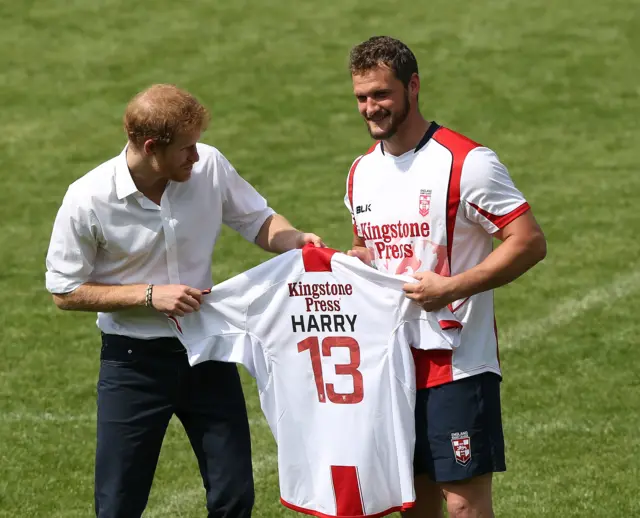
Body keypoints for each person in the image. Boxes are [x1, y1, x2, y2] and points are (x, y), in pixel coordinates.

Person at [45, 83, 324, 518]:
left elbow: (258, 220)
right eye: (186, 149)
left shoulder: (208, 164)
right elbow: (64, 290)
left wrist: (297, 241)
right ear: (152, 147)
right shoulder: (88, 198)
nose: (197, 157)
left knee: (234, 496)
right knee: (118, 504)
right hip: (133, 364)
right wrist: (149, 295)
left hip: (208, 353)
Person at [344, 37, 547, 518]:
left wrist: (451, 287)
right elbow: (366, 247)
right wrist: (350, 264)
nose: (370, 108)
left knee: (462, 503)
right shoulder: (359, 173)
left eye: (381, 94)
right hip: (391, 364)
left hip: (457, 364)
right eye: (361, 97)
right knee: (412, 502)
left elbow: (528, 241)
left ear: (413, 86)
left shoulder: (467, 162)